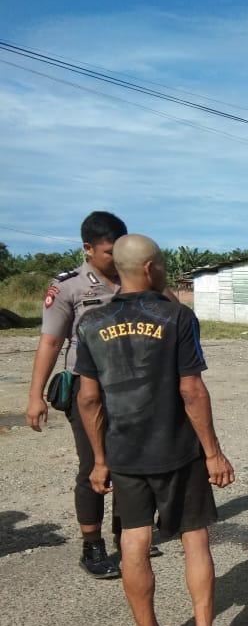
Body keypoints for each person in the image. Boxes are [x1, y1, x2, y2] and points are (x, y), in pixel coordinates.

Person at [75, 234, 234, 626]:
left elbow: (88, 399)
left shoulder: (90, 324)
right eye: (161, 263)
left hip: (124, 453)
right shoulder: (177, 316)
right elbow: (192, 389)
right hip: (178, 451)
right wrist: (214, 453)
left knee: (133, 541)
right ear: (149, 268)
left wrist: (100, 460)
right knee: (195, 539)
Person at [23, 211, 138, 579]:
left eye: (120, 251)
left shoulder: (133, 279)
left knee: (131, 464)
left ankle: (128, 535)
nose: (116, 259)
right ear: (88, 248)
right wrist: (35, 396)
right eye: (108, 252)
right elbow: (51, 342)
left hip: (132, 389)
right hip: (87, 390)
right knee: (93, 465)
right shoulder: (69, 287)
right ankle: (92, 546)